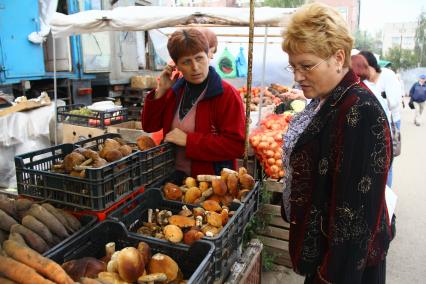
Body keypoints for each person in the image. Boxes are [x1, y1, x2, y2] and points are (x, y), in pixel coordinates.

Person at [280, 3, 393, 283]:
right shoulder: (330, 100)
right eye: (293, 67)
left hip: (342, 270)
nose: (297, 77)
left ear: (338, 57)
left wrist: (329, 277)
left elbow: (355, 218)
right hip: (326, 256)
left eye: (306, 66)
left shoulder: (359, 110)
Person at [142, 28, 245, 179]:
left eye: (199, 58)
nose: (195, 67)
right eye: (186, 62)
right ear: (176, 65)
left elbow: (237, 145)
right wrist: (161, 90)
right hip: (174, 180)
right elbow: (149, 126)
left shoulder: (226, 95)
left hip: (211, 185)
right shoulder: (175, 90)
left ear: (208, 56)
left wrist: (189, 141)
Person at [359, 51, 402, 187]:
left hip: (391, 122)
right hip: (372, 124)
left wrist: (378, 98)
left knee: (386, 164)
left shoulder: (387, 75)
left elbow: (394, 102)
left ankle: (386, 202)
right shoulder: (363, 79)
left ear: (372, 65)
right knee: (373, 163)